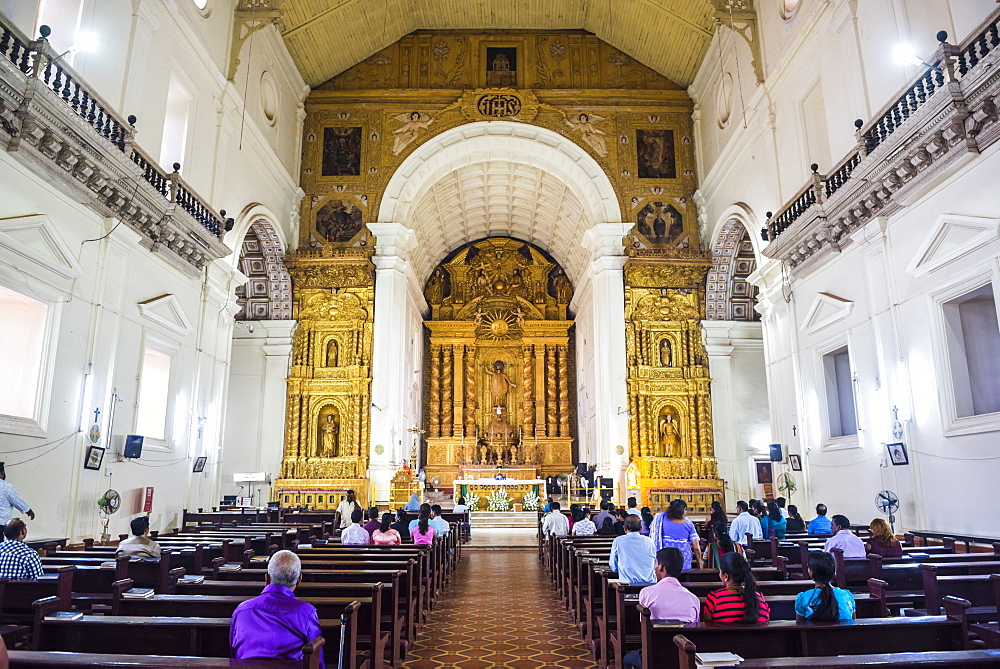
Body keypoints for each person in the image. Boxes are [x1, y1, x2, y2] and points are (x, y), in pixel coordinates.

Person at [231, 550, 324, 666]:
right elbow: (316, 659)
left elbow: (234, 653)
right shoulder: (306, 612)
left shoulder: (241, 610)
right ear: (299, 580)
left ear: (267, 578)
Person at [621, 547, 700, 668]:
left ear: (661, 567)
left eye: (656, 564)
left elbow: (643, 625)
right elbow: (695, 627)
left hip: (654, 654)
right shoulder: (693, 598)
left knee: (627, 659)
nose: (654, 568)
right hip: (684, 656)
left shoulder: (646, 593)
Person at [703, 552, 770, 624]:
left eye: (720, 572)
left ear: (726, 576)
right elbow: (766, 622)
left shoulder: (714, 598)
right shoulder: (759, 598)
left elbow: (707, 626)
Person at [795, 550, 856, 621]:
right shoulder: (847, 596)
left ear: (811, 572)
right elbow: (853, 622)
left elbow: (800, 626)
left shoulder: (803, 598)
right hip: (845, 632)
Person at [650, 499, 704, 570]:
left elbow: (652, 537)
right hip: (683, 561)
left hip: (665, 560)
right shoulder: (688, 524)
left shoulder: (661, 519)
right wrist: (699, 563)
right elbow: (696, 547)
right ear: (684, 509)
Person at [609, 516, 656, 584]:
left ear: (624, 527)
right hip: (649, 583)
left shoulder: (618, 541)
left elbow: (613, 566)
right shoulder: (649, 541)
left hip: (627, 584)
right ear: (641, 528)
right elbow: (654, 562)